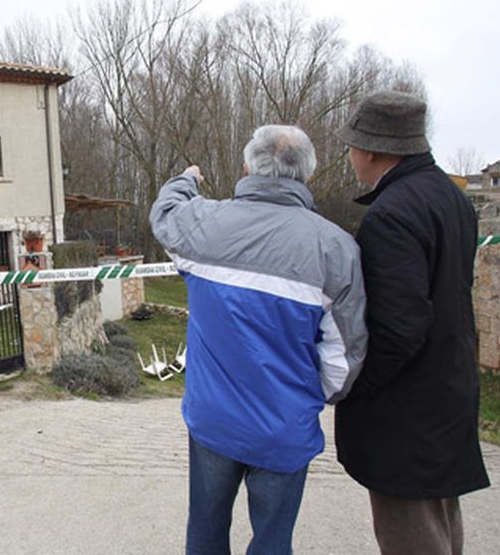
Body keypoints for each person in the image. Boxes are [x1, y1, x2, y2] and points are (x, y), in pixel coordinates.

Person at [150, 125, 368, 555]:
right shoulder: (336, 248)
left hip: (213, 419)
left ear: (248, 166)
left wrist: (187, 179)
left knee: (206, 532)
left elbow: (164, 211)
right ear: (306, 175)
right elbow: (343, 357)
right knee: (273, 542)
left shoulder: (203, 223)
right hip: (284, 426)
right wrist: (308, 396)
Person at [334, 90, 490, 555]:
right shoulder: (450, 198)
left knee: (412, 534)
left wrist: (355, 383)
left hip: (407, 412)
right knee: (441, 523)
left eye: (352, 146)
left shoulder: (392, 214)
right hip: (447, 391)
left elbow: (400, 326)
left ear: (372, 149)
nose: (351, 156)